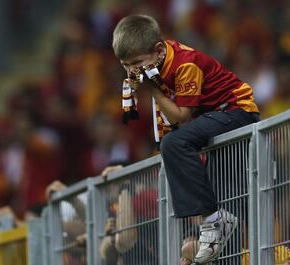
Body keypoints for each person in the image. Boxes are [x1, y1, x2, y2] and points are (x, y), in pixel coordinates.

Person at [106, 14, 260, 264]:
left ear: (158, 50)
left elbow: (179, 117)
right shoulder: (157, 65)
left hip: (236, 111)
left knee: (175, 143)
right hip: (213, 120)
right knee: (228, 195)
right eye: (125, 65)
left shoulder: (185, 64)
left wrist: (152, 90)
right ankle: (221, 229)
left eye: (136, 62)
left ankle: (211, 222)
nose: (131, 71)